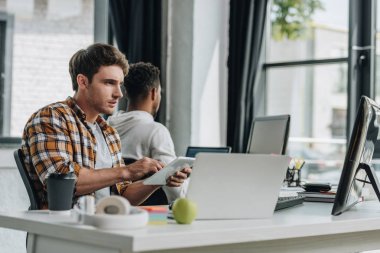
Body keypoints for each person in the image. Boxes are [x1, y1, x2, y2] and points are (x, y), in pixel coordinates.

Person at [21, 43, 189, 209]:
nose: (119, 93)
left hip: (104, 228)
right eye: (109, 83)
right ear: (83, 81)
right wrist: (127, 171)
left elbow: (122, 197)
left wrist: (160, 179)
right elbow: (60, 182)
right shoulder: (51, 118)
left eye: (120, 84)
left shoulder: (109, 133)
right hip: (64, 230)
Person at [108, 62, 190, 203]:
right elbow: (177, 194)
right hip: (151, 217)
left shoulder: (108, 126)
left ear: (126, 92)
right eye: (159, 92)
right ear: (153, 93)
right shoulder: (156, 131)